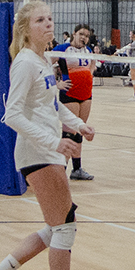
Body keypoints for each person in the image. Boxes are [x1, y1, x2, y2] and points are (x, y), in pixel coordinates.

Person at [0, 1, 101, 270]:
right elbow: (11, 115)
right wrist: (54, 141)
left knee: (57, 225)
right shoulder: (25, 64)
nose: (48, 23)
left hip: (49, 153)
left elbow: (53, 106)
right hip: (36, 153)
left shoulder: (44, 61)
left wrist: (77, 124)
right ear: (26, 28)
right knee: (65, 226)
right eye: (40, 20)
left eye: (50, 18)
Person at [52, 24, 98, 180]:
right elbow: (45, 64)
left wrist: (89, 76)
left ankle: (77, 169)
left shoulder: (88, 51)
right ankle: (60, 170)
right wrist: (56, 83)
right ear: (74, 34)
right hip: (69, 93)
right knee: (69, 133)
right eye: (81, 34)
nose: (84, 37)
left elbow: (92, 64)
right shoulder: (63, 48)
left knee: (80, 131)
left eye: (86, 35)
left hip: (86, 94)